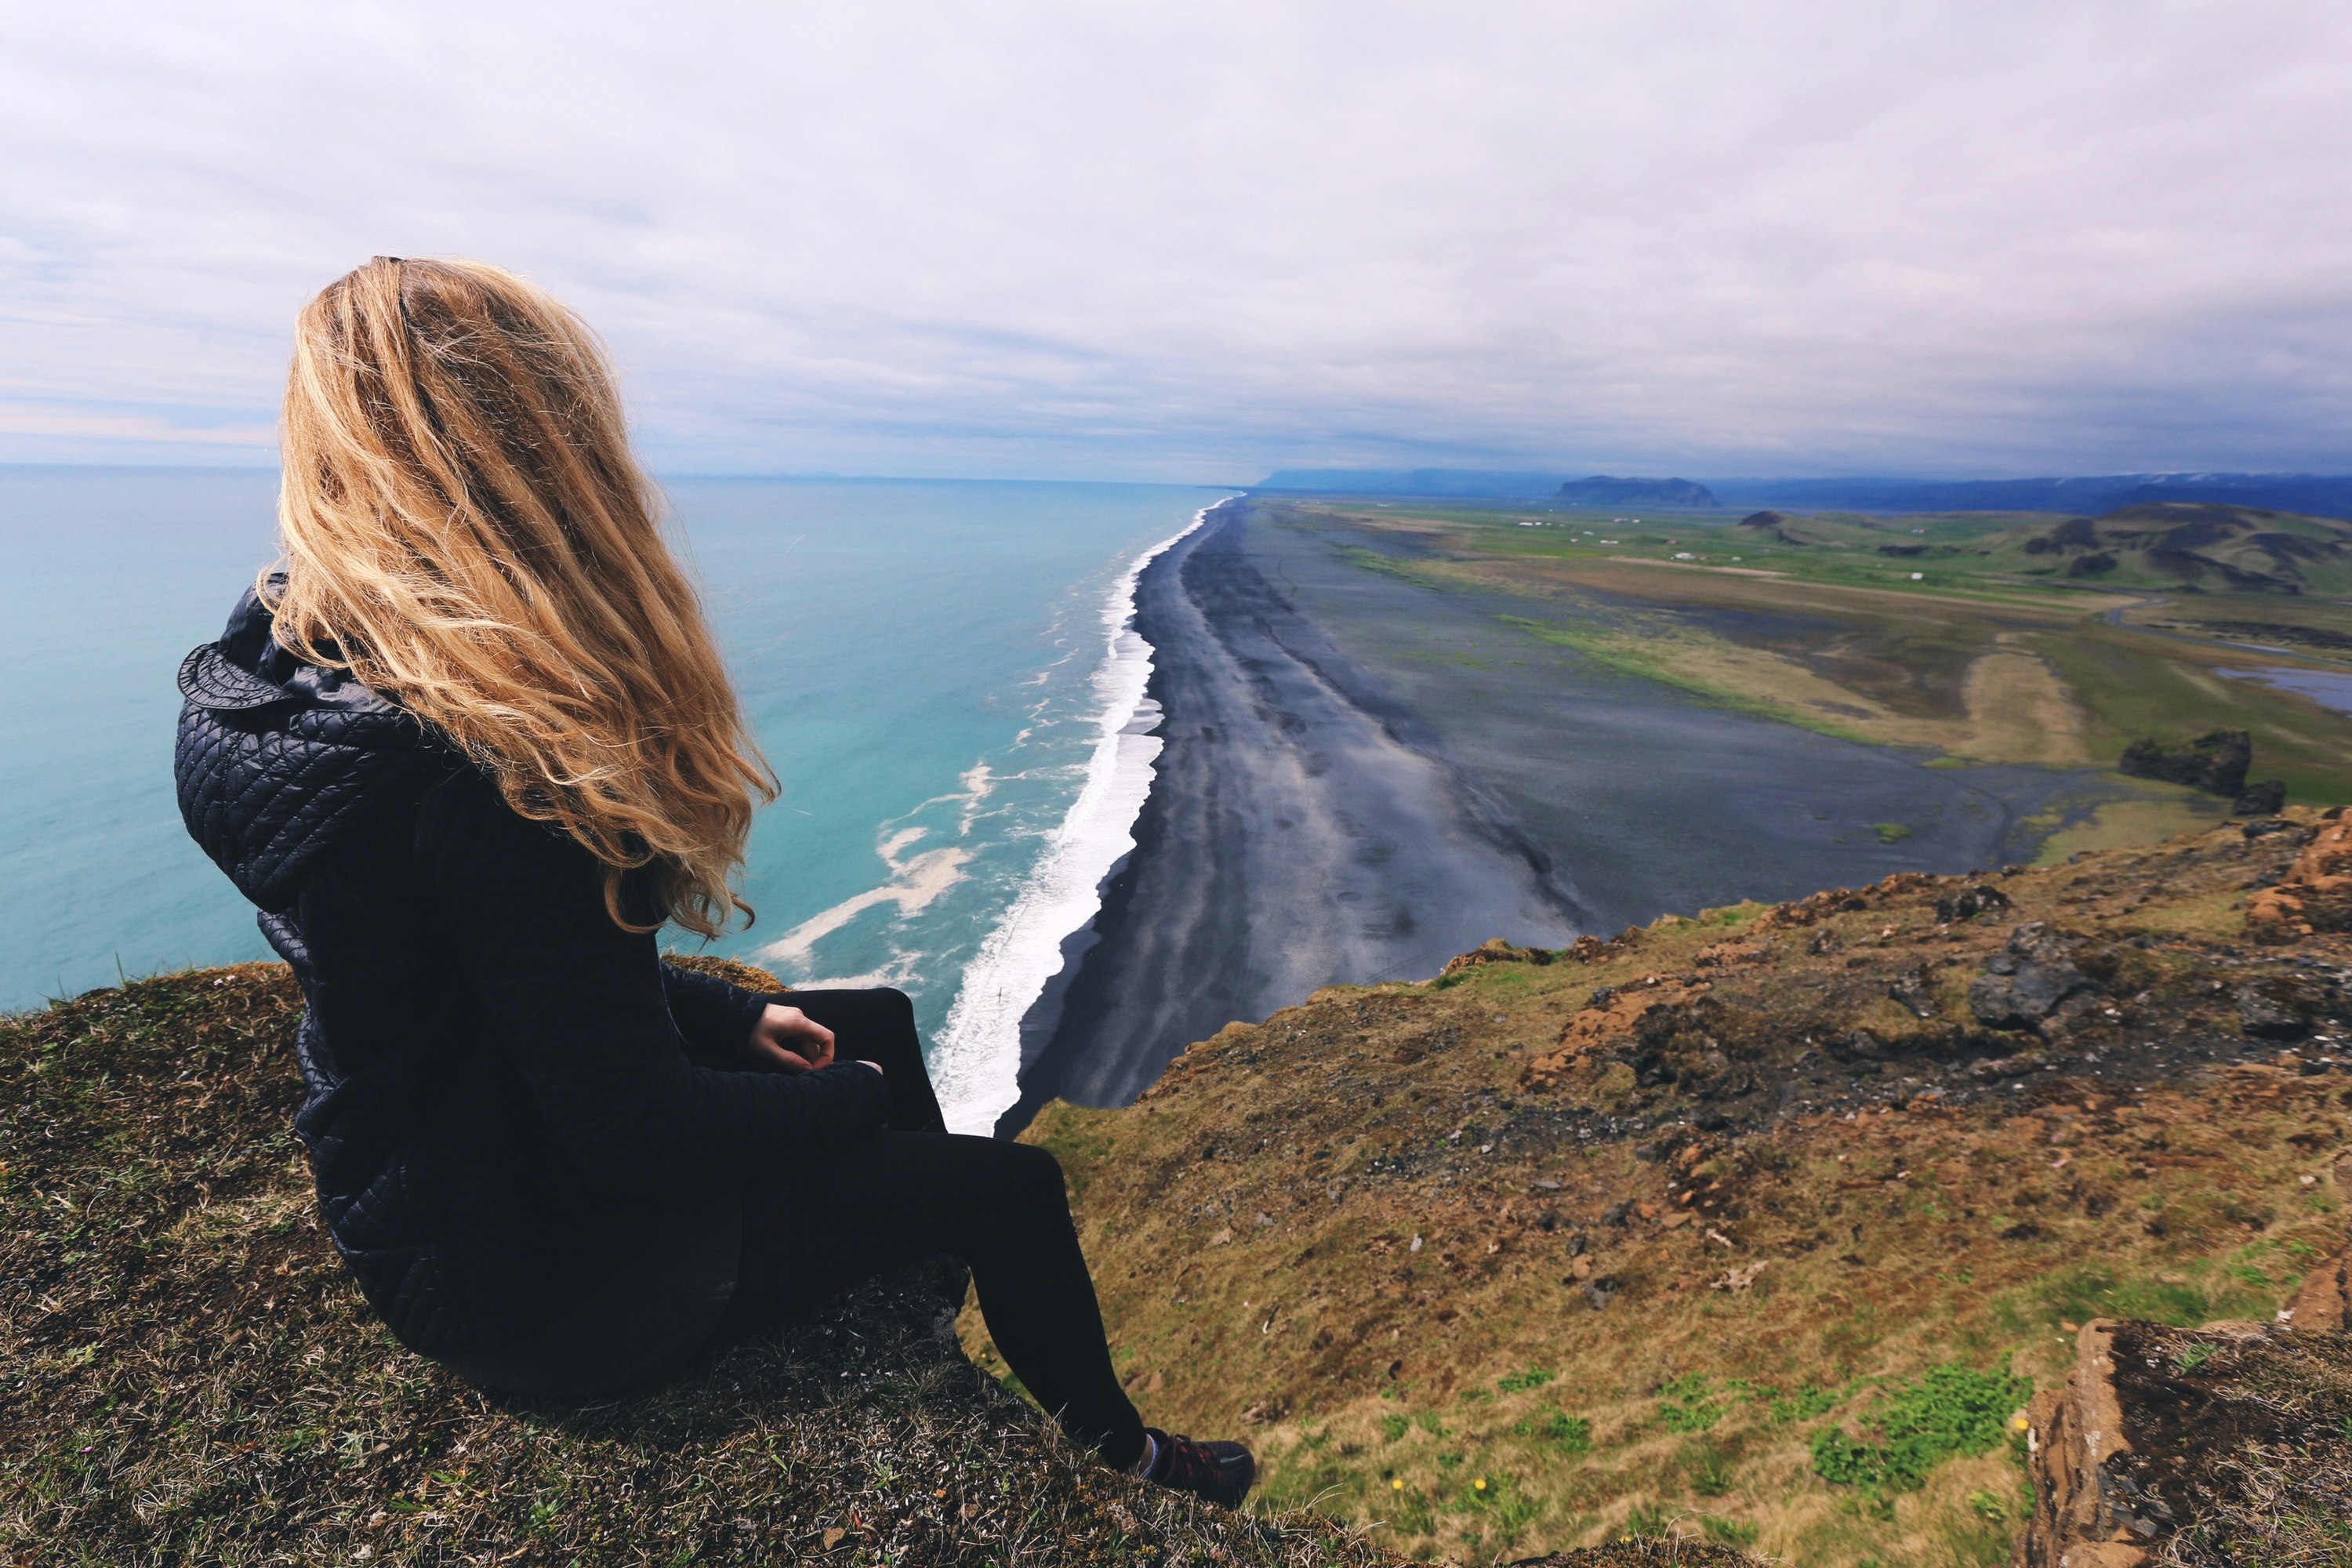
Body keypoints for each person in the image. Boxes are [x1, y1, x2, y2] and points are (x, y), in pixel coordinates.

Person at [173, 256, 1252, 1507]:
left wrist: (735, 1015)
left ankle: (908, 1274)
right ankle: (1130, 1458)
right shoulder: (493, 760)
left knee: (883, 1020)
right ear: (552, 457)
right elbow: (638, 1136)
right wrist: (850, 1106)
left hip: (428, 1202)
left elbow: (485, 971)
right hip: (554, 1289)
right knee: (1013, 1185)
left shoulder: (288, 693)